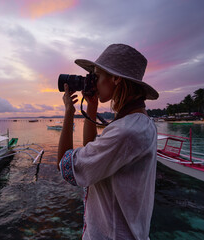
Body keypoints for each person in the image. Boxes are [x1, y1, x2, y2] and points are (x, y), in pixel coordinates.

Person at [57, 44, 159, 240]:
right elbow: (91, 150)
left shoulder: (125, 132)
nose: (92, 81)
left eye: (96, 75)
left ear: (115, 78)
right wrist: (92, 107)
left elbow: (64, 166)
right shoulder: (142, 123)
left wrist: (69, 112)